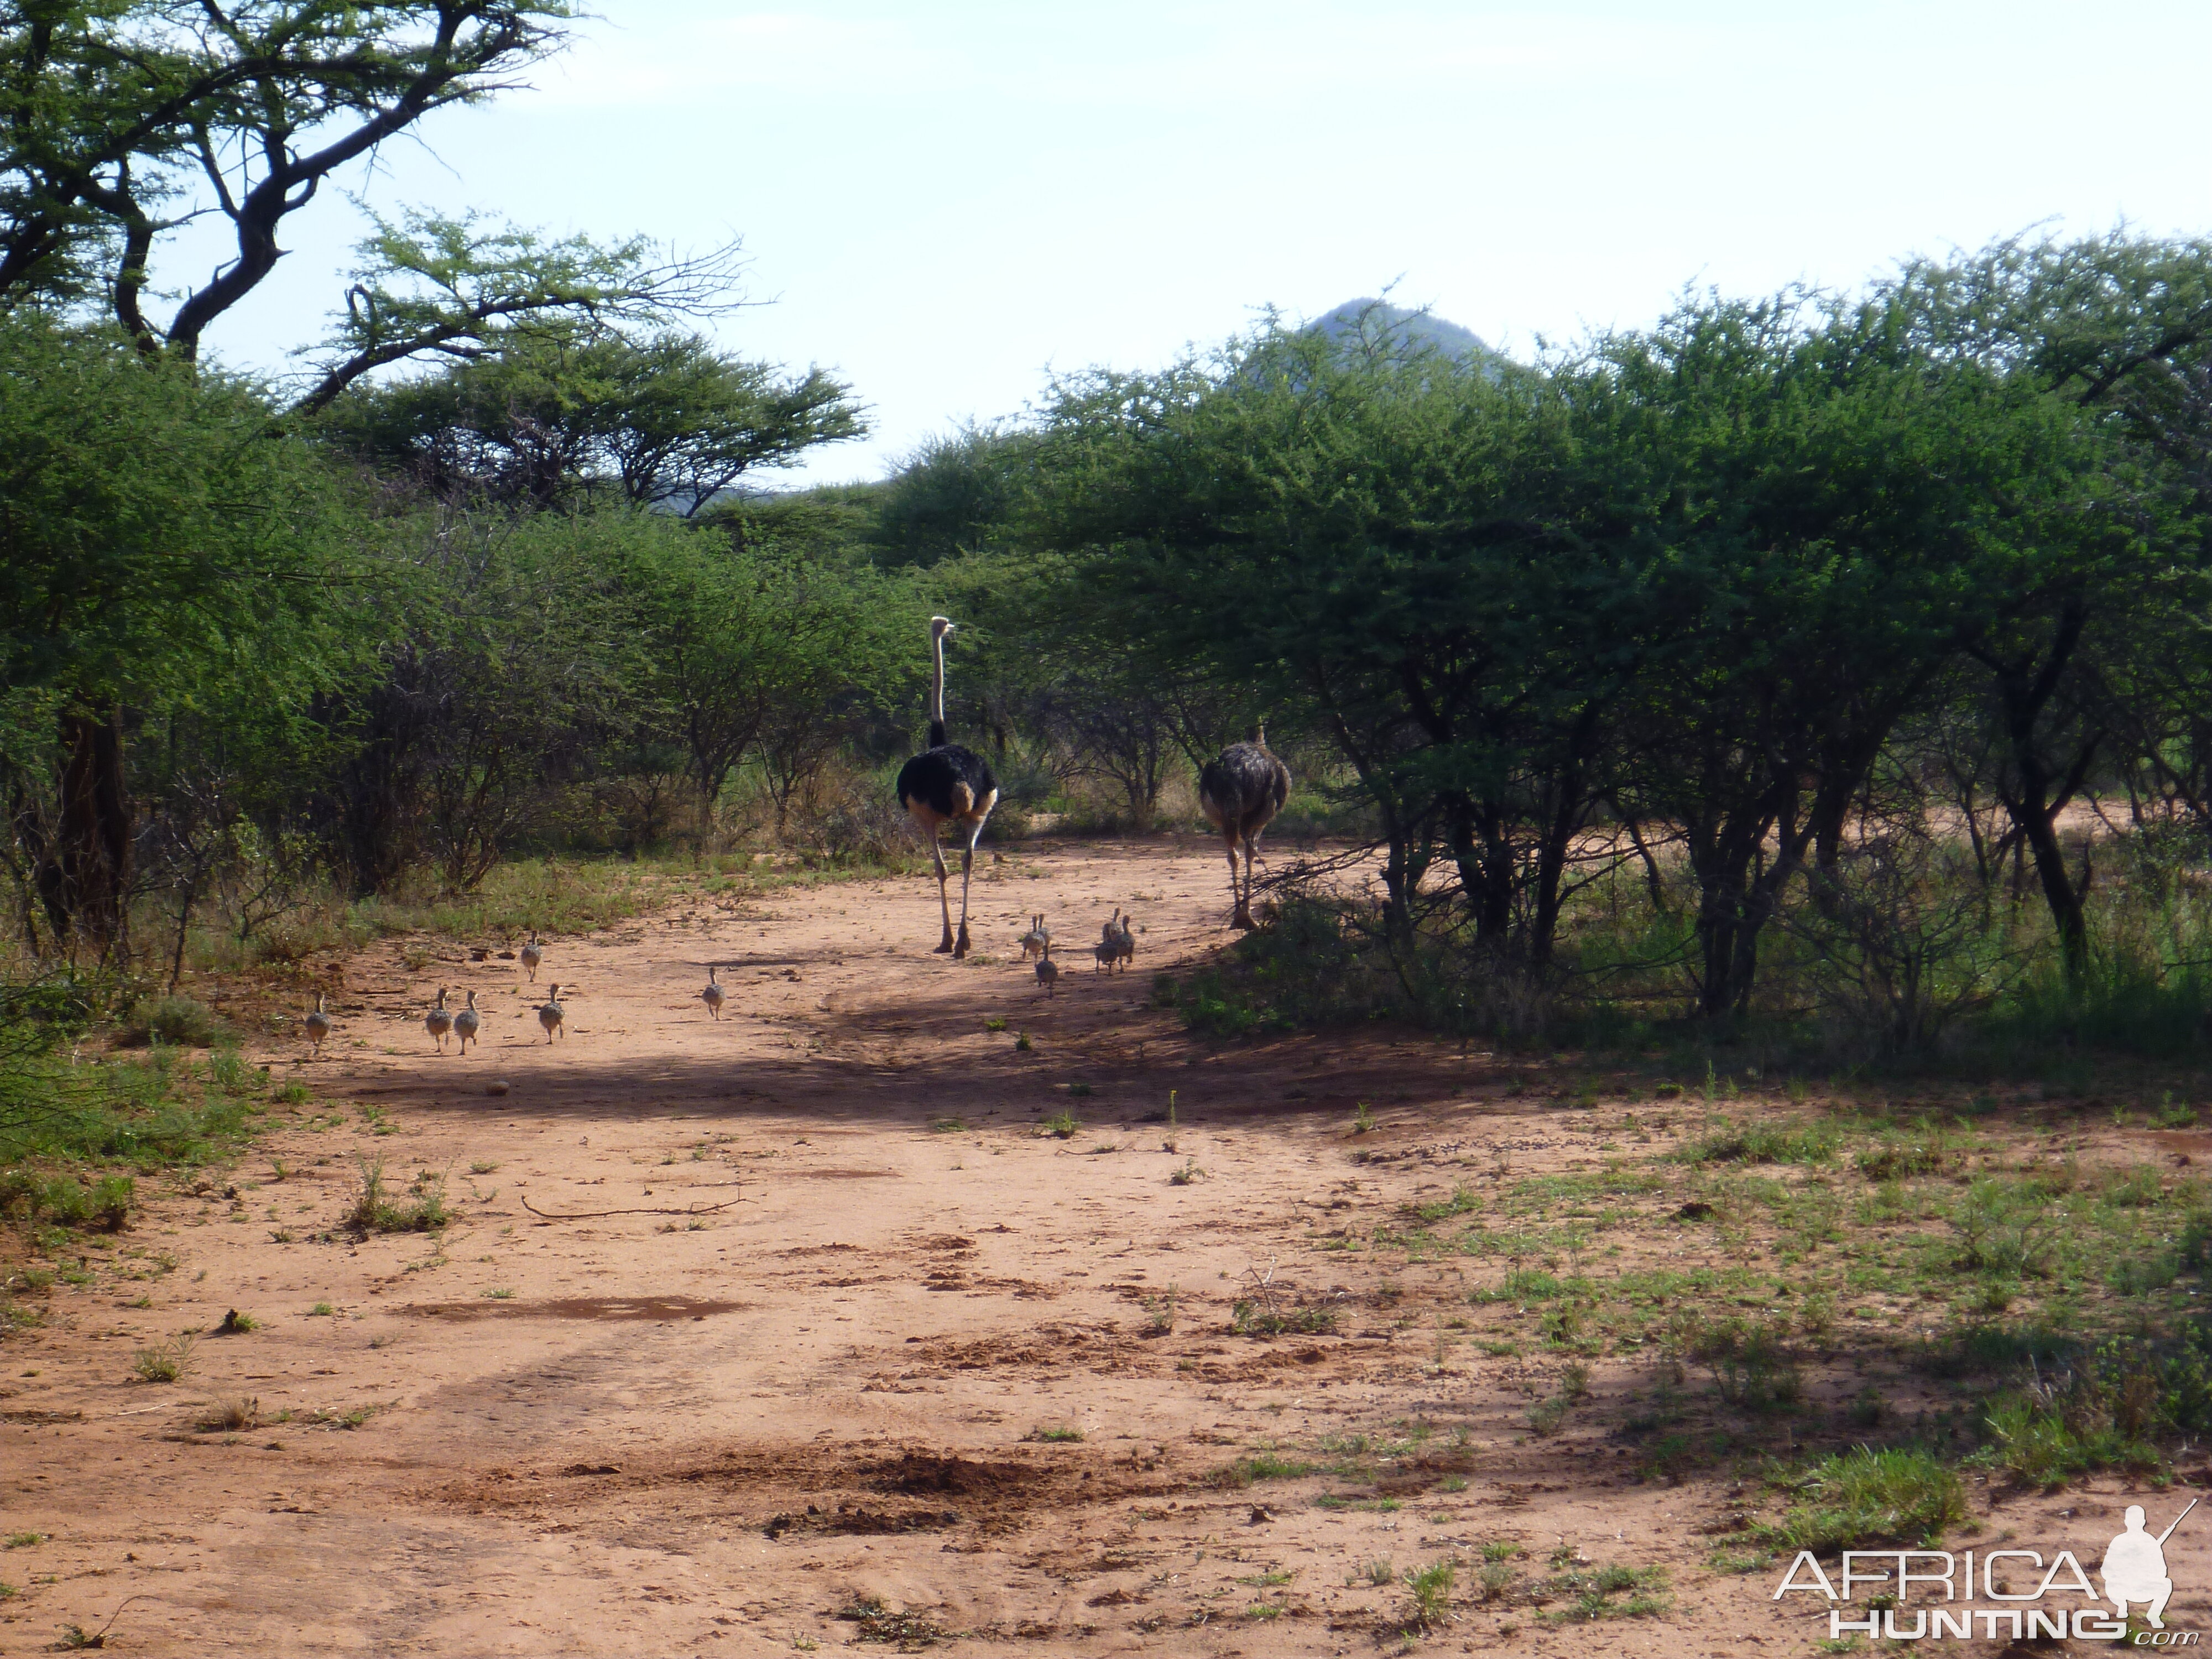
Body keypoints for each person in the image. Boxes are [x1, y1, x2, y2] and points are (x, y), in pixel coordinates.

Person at [2102, 1505, 2175, 1628]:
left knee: (2166, 1583)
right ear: (2126, 1522)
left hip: (2143, 1588)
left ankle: (2154, 1615)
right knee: (2110, 1583)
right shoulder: (2119, 1541)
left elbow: (2162, 1571)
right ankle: (2122, 1607)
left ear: (2143, 1522)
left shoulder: (2151, 1542)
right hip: (2121, 1589)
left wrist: (2146, 1567)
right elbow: (2106, 1571)